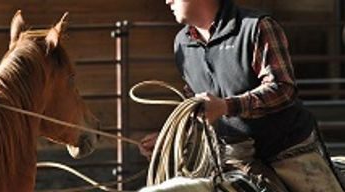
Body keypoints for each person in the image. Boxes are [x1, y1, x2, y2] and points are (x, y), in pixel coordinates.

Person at [139, 0, 345, 191]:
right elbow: (195, 105)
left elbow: (283, 88)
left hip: (287, 148)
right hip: (232, 155)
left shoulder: (256, 27)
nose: (168, 0)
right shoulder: (182, 44)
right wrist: (171, 139)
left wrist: (226, 107)